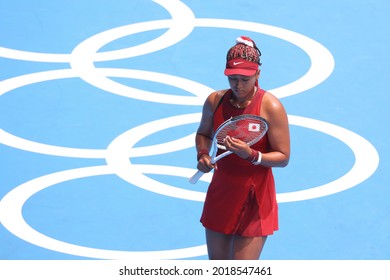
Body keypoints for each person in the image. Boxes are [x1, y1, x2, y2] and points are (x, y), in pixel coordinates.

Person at [195, 36, 290, 260]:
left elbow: (284, 157)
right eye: (233, 79)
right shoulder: (214, 101)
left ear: (258, 73)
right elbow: (203, 133)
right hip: (222, 192)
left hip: (255, 198)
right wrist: (202, 154)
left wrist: (251, 155)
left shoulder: (271, 106)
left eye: (245, 79)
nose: (238, 85)